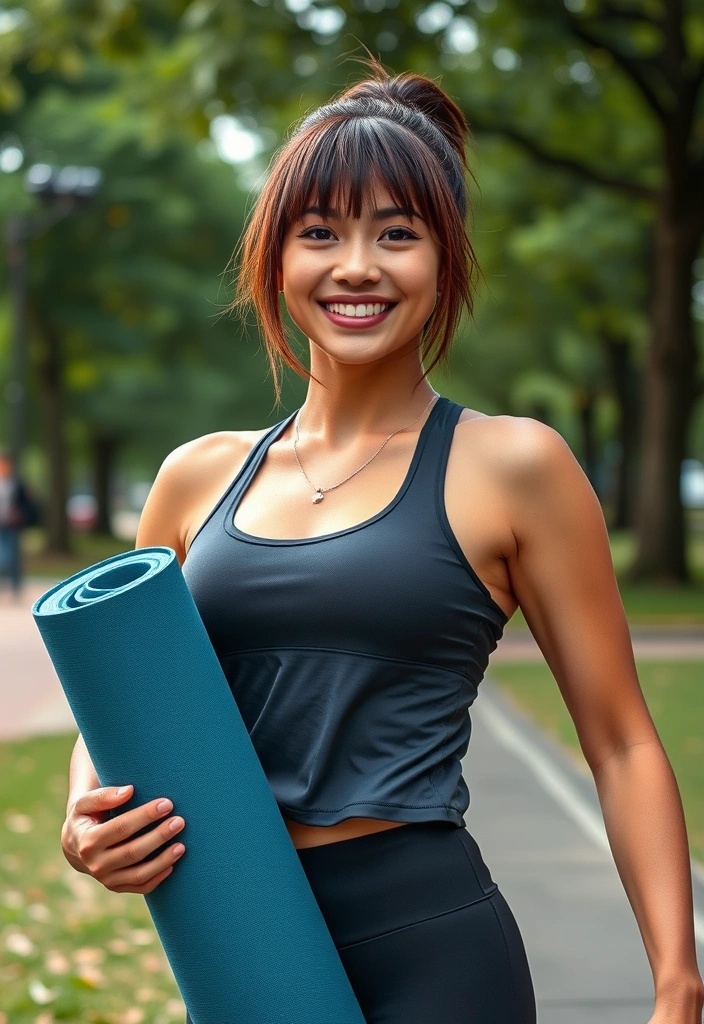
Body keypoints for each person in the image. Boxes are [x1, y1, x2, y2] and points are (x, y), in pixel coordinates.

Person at [59, 62, 704, 1024]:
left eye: (395, 234)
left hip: (434, 945)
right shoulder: (197, 476)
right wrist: (86, 818)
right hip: (236, 935)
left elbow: (617, 741)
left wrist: (678, 981)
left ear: (444, 261)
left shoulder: (513, 465)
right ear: (275, 258)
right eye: (319, 232)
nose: (355, 266)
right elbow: (119, 701)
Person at [0, 450, 32, 600]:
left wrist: (19, 515)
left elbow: (26, 505)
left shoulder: (17, 484)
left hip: (11, 525)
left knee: (13, 557)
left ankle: (15, 586)